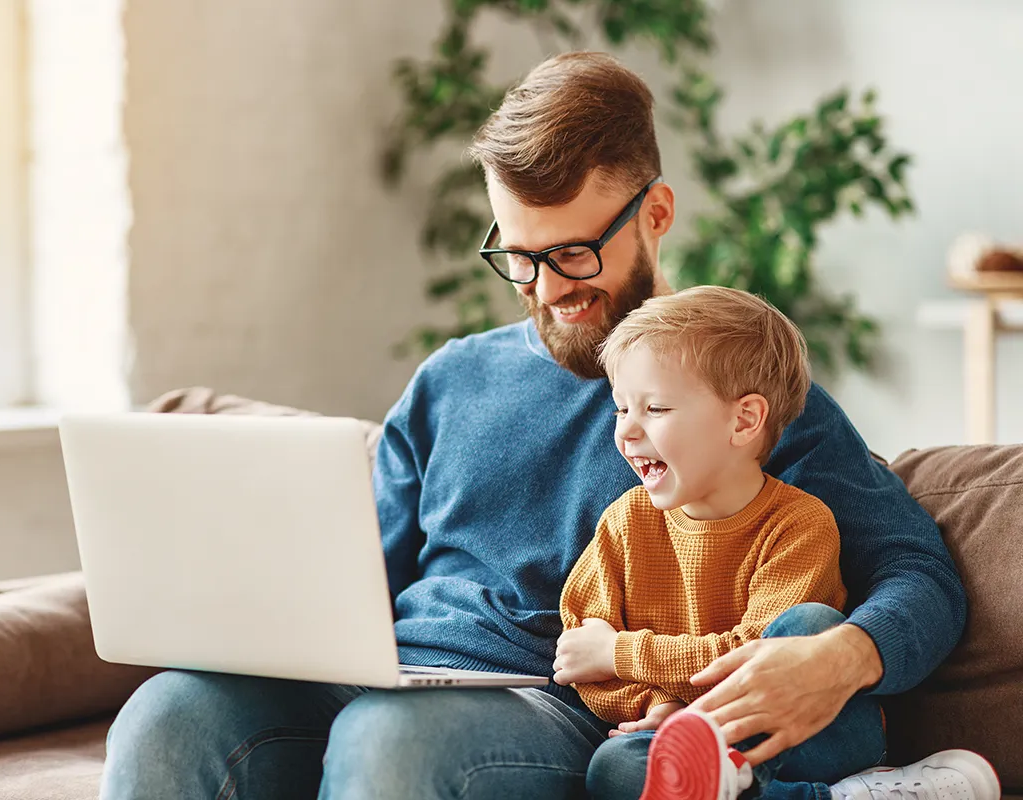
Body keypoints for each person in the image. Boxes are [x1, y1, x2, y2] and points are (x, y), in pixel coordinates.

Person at [99, 52, 975, 800]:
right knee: (169, 712)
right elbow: (353, 576)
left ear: (656, 215)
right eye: (519, 257)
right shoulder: (451, 379)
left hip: (548, 700)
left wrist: (846, 656)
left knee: (389, 741)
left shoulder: (736, 393)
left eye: (574, 255)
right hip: (386, 676)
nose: (548, 288)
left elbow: (918, 572)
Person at [554, 286, 998, 799]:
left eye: (654, 408)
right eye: (619, 409)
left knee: (809, 627)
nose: (626, 431)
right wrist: (657, 706)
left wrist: (623, 654)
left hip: (819, 733)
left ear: (744, 420)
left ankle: (737, 776)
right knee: (615, 768)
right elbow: (579, 649)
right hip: (692, 726)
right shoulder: (624, 523)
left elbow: (753, 659)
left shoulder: (800, 524)